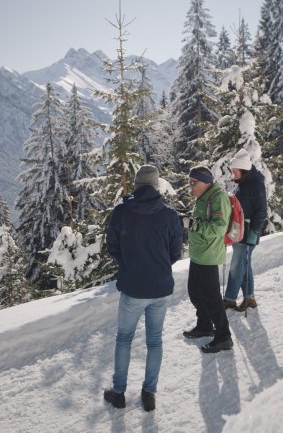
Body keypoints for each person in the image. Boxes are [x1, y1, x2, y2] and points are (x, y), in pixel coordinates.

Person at [104, 165, 183, 412]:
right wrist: (158, 267)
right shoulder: (169, 215)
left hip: (133, 288)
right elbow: (175, 252)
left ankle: (118, 393)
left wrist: (127, 265)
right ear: (156, 186)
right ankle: (149, 394)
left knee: (124, 339)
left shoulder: (122, 212)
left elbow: (112, 246)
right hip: (160, 288)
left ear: (137, 186)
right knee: (155, 341)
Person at [182, 165, 233, 353]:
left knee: (212, 298)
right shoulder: (203, 197)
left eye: (193, 183)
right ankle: (204, 325)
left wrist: (194, 224)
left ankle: (224, 337)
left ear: (205, 182)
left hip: (209, 256)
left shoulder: (218, 198)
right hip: (199, 254)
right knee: (195, 292)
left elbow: (219, 228)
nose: (191, 187)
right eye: (189, 183)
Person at [223, 149, 268, 312]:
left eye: (235, 170)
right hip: (238, 230)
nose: (232, 173)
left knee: (237, 265)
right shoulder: (241, 184)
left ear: (243, 169)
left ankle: (229, 299)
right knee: (244, 264)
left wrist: (254, 233)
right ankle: (250, 298)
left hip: (248, 231)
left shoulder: (256, 184)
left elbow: (262, 211)